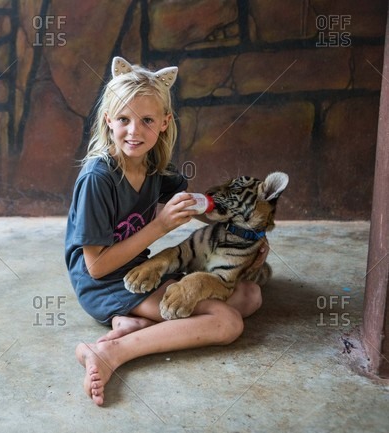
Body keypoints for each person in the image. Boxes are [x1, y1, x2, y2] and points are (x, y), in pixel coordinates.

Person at [64, 57, 267, 406]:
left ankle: (135, 326)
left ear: (163, 123)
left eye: (146, 120)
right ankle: (113, 352)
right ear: (108, 120)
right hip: (103, 284)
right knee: (227, 323)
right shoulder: (98, 179)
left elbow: (197, 207)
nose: (134, 131)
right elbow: (95, 267)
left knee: (250, 296)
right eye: (124, 119)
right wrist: (159, 226)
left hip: (137, 269)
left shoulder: (155, 167)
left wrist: (246, 235)